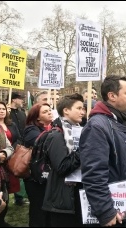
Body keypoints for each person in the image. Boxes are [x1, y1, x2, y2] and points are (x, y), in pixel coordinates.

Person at [79, 76, 126, 227]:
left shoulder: (119, 121)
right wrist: (105, 211)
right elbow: (94, 173)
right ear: (112, 96)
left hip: (120, 210)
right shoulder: (97, 126)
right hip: (111, 214)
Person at [42, 93, 85, 227]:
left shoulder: (81, 131)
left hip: (77, 195)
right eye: (78, 108)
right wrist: (83, 149)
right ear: (66, 110)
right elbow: (62, 167)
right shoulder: (56, 135)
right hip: (62, 200)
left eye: (83, 108)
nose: (82, 112)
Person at [23, 103, 53, 227]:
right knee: (38, 210)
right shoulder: (31, 130)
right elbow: (42, 142)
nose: (50, 112)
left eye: (50, 110)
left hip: (48, 176)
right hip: (34, 178)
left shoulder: (52, 127)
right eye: (45, 112)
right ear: (37, 118)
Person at [0, 101, 23, 205]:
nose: (2, 111)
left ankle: (15, 200)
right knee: (1, 186)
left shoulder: (11, 124)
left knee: (11, 183)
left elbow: (19, 138)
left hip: (12, 157)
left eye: (3, 109)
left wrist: (12, 150)